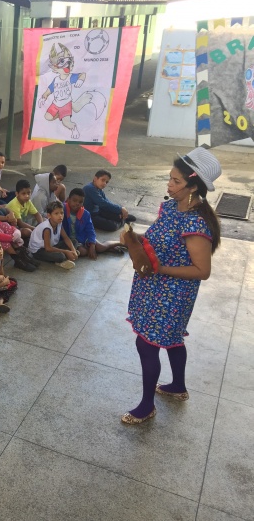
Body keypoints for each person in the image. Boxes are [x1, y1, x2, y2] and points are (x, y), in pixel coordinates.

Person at [122, 148, 222, 425]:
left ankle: (146, 406)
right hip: (153, 287)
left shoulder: (196, 223)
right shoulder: (170, 207)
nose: (169, 184)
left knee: (146, 344)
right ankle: (178, 386)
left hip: (173, 294)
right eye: (170, 178)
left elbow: (202, 271)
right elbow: (157, 239)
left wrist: (160, 269)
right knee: (172, 338)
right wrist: (135, 241)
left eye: (176, 181)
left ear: (194, 187)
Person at [63, 188, 125, 259]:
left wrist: (92, 245)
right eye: (74, 200)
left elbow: (90, 230)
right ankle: (107, 249)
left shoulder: (85, 214)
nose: (77, 204)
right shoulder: (62, 210)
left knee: (100, 247)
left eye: (80, 202)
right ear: (68, 199)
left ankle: (121, 243)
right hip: (70, 240)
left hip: (84, 237)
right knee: (83, 252)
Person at [28, 201, 78, 269]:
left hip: (51, 246)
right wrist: (66, 252)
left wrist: (73, 250)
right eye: (56, 213)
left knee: (74, 241)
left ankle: (70, 255)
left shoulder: (59, 223)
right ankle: (62, 260)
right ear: (49, 215)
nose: (60, 216)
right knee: (60, 256)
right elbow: (48, 248)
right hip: (38, 251)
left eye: (62, 213)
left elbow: (66, 238)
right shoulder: (47, 228)